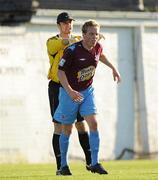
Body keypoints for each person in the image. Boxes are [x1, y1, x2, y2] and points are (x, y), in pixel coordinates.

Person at [54, 19, 121, 175]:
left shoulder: (97, 46)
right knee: (67, 129)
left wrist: (113, 68)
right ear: (83, 35)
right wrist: (70, 91)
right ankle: (63, 166)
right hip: (69, 93)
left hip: (87, 91)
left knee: (94, 124)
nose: (94, 37)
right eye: (91, 34)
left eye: (96, 34)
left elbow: (100, 55)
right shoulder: (71, 51)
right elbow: (60, 72)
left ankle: (94, 163)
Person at [46, 12, 92, 175]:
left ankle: (90, 162)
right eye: (65, 23)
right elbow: (64, 43)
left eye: (70, 22)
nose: (69, 25)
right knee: (59, 126)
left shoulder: (80, 38)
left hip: (75, 87)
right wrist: (79, 40)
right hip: (58, 87)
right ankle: (61, 167)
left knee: (81, 123)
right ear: (59, 25)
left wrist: (94, 37)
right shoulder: (52, 41)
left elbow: (91, 42)